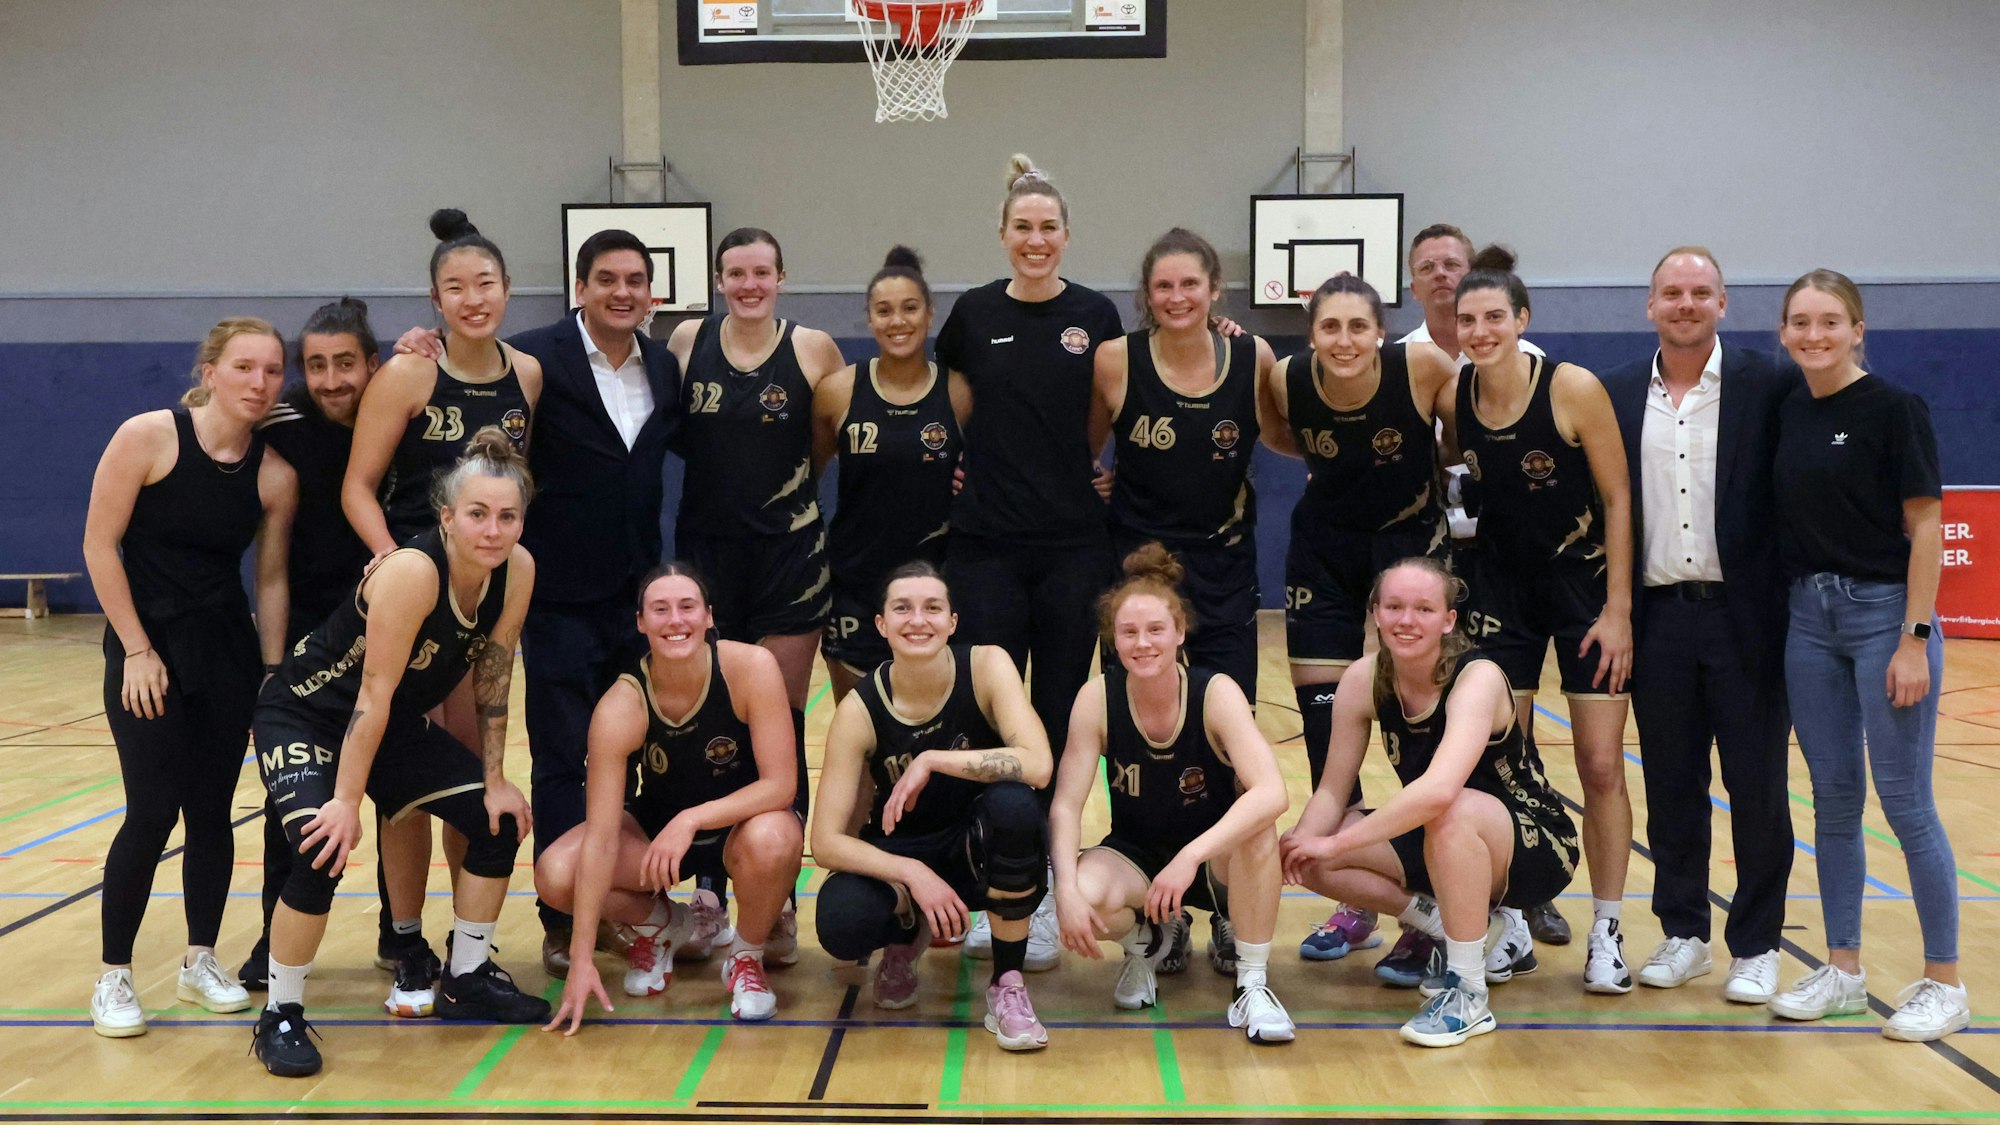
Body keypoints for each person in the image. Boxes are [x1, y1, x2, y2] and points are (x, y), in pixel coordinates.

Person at [393, 227, 684, 976]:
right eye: (606, 279)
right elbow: (465, 370)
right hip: (557, 597)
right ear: (579, 289)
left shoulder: (663, 364)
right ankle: (560, 921)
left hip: (639, 603)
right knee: (563, 759)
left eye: (635, 280)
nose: (622, 292)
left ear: (652, 294)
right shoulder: (533, 360)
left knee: (634, 759)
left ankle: (624, 905)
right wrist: (424, 343)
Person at [248, 430, 546, 1077]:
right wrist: (344, 801)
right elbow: (372, 695)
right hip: (307, 714)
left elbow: (495, 673)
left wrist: (495, 777)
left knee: (495, 819)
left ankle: (467, 978)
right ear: (447, 517)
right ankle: (281, 1014)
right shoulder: (413, 572)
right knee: (321, 846)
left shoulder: (517, 569)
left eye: (507, 516)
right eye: (477, 514)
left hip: (388, 723)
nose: (493, 530)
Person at [81, 318, 297, 1038]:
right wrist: (137, 649)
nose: (259, 382)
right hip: (147, 650)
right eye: (243, 367)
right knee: (151, 809)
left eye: (272, 370)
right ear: (210, 372)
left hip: (225, 653)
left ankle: (200, 960)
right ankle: (114, 974)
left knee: (211, 811)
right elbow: (100, 544)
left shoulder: (274, 474)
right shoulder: (148, 437)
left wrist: (271, 671)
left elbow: (270, 579)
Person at [1766, 269, 1965, 1041]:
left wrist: (1915, 638)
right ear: (1783, 332)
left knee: (1907, 801)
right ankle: (1843, 969)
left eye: (1829, 321)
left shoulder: (1893, 408)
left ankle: (1945, 980)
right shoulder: (1787, 408)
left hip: (1886, 614)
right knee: (1835, 800)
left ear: (1857, 330)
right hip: (1808, 618)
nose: (1813, 335)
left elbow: (1927, 526)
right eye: (1800, 322)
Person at [343, 209, 543, 973]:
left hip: (479, 598)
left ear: (507, 289)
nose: (472, 298)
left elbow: (516, 489)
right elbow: (357, 487)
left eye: (484, 283)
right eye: (454, 287)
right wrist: (394, 563)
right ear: (435, 300)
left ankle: (468, 940)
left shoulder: (528, 375)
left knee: (464, 771)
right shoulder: (408, 374)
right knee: (407, 776)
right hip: (411, 597)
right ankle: (401, 933)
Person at [939, 153, 1123, 966]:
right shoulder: (973, 313)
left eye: (1049, 227)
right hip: (985, 546)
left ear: (1067, 235)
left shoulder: (1096, 314)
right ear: (1003, 233)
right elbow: (957, 415)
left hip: (1074, 547)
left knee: (1056, 713)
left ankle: (1045, 892)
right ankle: (994, 881)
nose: (1036, 239)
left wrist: (1082, 469)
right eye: (1023, 227)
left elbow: (1103, 412)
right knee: (991, 716)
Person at [1435, 246, 1635, 994]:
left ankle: (1607, 930)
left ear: (1522, 319)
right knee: (1501, 764)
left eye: (1494, 317)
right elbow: (1453, 473)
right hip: (1500, 592)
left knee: (1601, 764)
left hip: (1584, 591)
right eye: (1467, 320)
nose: (1480, 331)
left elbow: (1618, 498)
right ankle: (1512, 918)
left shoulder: (1572, 387)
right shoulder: (1455, 396)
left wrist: (1620, 609)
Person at [1600, 248, 1796, 1005]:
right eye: (1672, 292)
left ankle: (1757, 944)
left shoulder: (1768, 385)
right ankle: (1683, 932)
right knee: (1672, 785)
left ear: (1723, 302)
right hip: (1658, 620)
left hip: (1747, 619)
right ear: (1650, 304)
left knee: (1757, 787)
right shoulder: (1617, 392)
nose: (1685, 303)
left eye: (1700, 292)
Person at [1281, 557, 1580, 1047]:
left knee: (1451, 810)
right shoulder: (1363, 678)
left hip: (1534, 844)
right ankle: (1451, 925)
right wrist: (1304, 845)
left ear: (1448, 620)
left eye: (1423, 609)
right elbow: (1333, 791)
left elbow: (1440, 790)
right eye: (1394, 606)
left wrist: (1336, 845)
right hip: (1441, 836)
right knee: (1306, 848)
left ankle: (1469, 993)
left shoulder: (1477, 677)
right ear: (1375, 613)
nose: (1407, 620)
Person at [1254, 272, 1458, 969]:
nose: (1344, 340)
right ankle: (1359, 900)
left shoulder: (1423, 366)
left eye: (1357, 326)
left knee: (1424, 721)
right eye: (1329, 327)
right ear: (1312, 333)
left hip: (1410, 546)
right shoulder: (1287, 378)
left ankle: (1437, 892)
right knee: (1324, 724)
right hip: (1325, 550)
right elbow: (1279, 435)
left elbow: (1459, 440)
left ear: (1380, 331)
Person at [1395, 223, 1565, 954]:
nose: (1442, 276)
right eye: (1427, 267)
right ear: (1412, 283)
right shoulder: (1399, 359)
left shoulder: (1530, 367)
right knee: (1433, 729)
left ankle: (1525, 882)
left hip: (1515, 566)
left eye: (1453, 266)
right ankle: (1445, 887)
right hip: (1439, 565)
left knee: (1510, 730)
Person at [536, 564, 802, 1029]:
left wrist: (692, 818)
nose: (675, 620)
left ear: (709, 616)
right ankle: (663, 925)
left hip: (743, 827)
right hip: (662, 840)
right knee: (556, 874)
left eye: (687, 607)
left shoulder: (750, 667)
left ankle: (746, 956)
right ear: (640, 622)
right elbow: (601, 838)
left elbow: (781, 785)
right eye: (660, 610)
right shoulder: (621, 705)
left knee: (775, 838)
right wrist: (582, 957)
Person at [1050, 544, 1295, 1045]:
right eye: (1129, 632)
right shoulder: (1097, 698)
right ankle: (1148, 942)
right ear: (1113, 639)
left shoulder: (1215, 692)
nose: (1142, 643)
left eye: (1156, 630)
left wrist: (1191, 856)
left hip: (1212, 859)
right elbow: (1066, 806)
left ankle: (1252, 982)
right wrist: (1065, 889)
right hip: (1138, 857)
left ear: (1180, 631)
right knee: (1083, 893)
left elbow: (1273, 792)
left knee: (1259, 829)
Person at [811, 563, 1055, 1050]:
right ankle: (907, 934)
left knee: (1015, 807)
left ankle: (1007, 984)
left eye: (932, 608)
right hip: (905, 855)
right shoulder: (860, 709)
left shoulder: (986, 666)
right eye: (902, 608)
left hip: (975, 847)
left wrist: (933, 760)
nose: (918, 620)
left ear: (952, 621)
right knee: (841, 920)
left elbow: (1039, 765)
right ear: (881, 624)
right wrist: (913, 875)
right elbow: (825, 842)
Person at [240, 298, 382, 989]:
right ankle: (273, 938)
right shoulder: (282, 418)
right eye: (316, 365)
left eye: (345, 363)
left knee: (396, 787)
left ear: (372, 363)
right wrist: (274, 662)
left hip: (389, 626)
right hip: (307, 636)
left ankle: (401, 934)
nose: (331, 380)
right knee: (289, 797)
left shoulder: (398, 410)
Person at [1093, 226, 1276, 701]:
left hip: (1224, 562)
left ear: (1214, 288)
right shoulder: (1116, 360)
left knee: (1230, 709)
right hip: (1138, 557)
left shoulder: (1252, 356)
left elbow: (1286, 437)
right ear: (1147, 295)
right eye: (1164, 286)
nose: (1177, 297)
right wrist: (1095, 477)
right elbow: (1085, 448)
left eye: (1190, 284)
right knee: (1132, 711)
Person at [812, 246, 969, 699]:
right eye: (884, 310)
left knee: (933, 721)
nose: (897, 321)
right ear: (869, 319)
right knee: (857, 722)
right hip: (855, 584)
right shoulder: (838, 392)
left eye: (909, 308)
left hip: (936, 583)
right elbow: (806, 476)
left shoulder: (958, 391)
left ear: (930, 314)